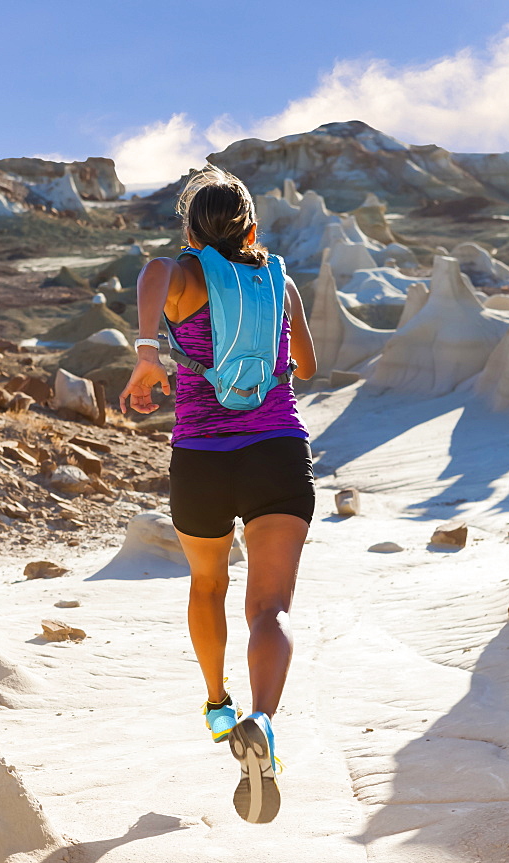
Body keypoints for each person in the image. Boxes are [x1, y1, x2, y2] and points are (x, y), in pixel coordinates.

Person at [120, 166, 316, 824]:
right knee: (272, 608)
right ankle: (262, 719)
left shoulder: (183, 275)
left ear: (190, 230)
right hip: (278, 454)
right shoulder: (278, 280)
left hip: (202, 458)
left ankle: (217, 703)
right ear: (252, 228)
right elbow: (307, 367)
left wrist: (150, 352)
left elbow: (151, 272)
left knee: (208, 585)